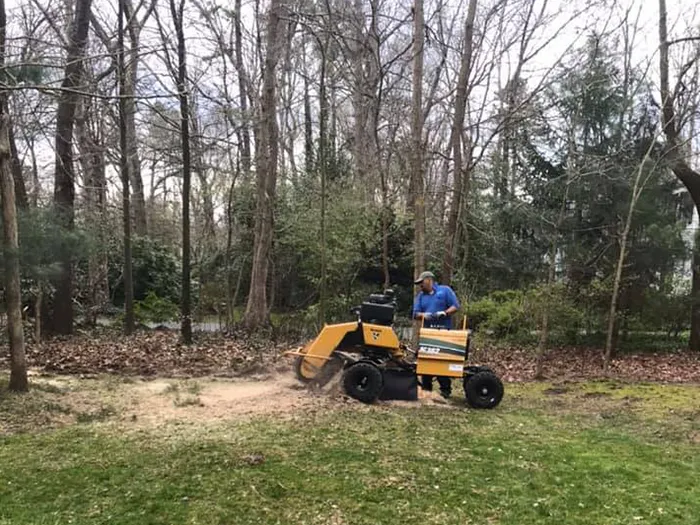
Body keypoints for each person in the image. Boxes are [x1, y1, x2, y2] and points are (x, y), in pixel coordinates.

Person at [412, 270, 460, 398]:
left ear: (429, 280)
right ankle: (426, 389)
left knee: (441, 361)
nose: (420, 285)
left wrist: (445, 313)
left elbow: (455, 306)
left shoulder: (444, 291)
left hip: (443, 333)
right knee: (427, 360)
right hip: (428, 333)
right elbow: (415, 313)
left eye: (421, 282)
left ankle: (445, 389)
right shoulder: (421, 296)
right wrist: (424, 315)